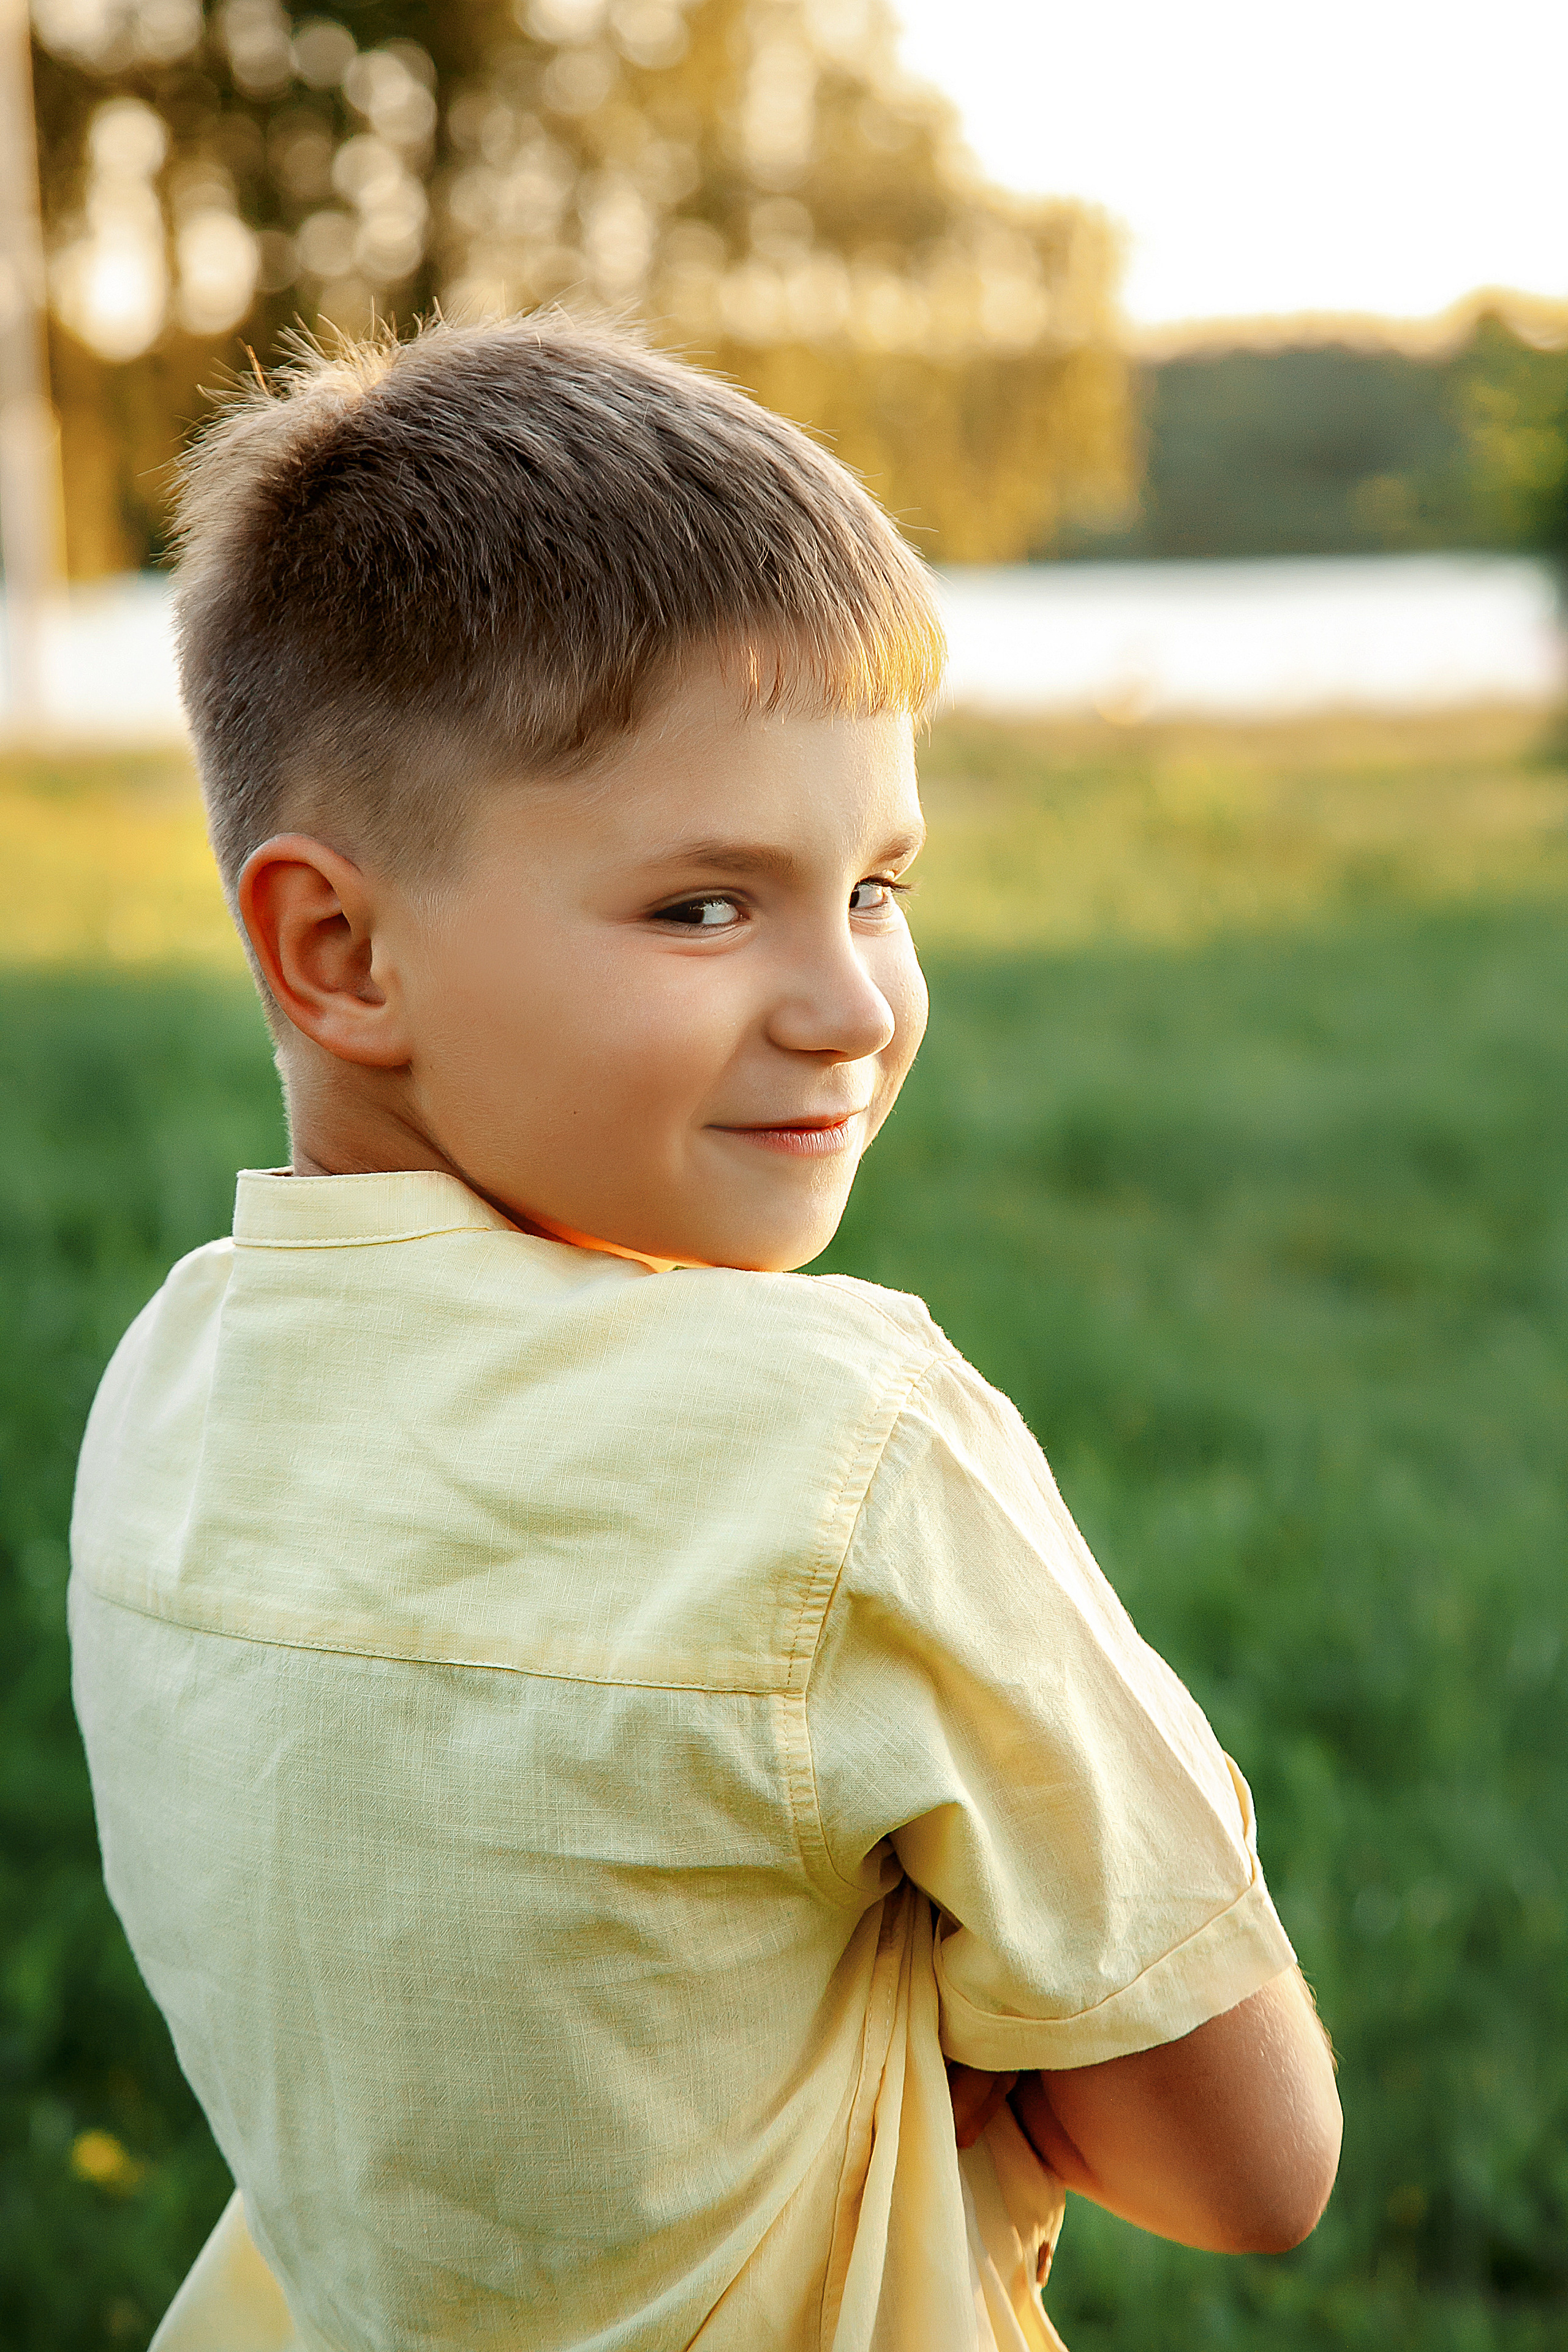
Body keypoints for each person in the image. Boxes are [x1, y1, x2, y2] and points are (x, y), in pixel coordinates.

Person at [68, 317, 1340, 2352]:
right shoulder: (842, 1441)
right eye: (703, 908)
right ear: (342, 948)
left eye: (878, 887)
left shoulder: (174, 1385)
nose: (850, 1005)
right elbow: (1252, 2168)